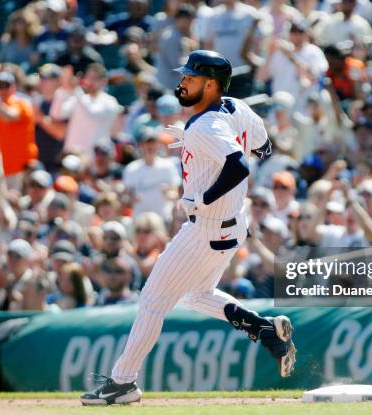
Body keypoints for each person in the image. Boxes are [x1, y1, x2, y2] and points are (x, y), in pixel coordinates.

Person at [80, 50, 295, 406]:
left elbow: (239, 166)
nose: (182, 83)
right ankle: (265, 330)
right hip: (232, 226)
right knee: (196, 295)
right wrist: (202, 152)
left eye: (191, 78)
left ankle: (122, 383)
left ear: (211, 84)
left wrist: (206, 194)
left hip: (206, 227)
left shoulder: (205, 125)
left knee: (151, 303)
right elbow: (264, 146)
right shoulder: (235, 107)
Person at [50, 63, 123, 156]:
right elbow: (57, 114)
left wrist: (76, 89)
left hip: (96, 157)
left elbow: (93, 113)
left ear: (104, 81)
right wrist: (63, 89)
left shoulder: (110, 101)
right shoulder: (81, 98)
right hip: (72, 155)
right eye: (88, 77)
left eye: (94, 78)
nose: (89, 82)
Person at [0, 71, 37, 184]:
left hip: (24, 168)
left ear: (14, 86)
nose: (3, 90)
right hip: (4, 168)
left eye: (6, 86)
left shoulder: (22, 103)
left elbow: (10, 116)